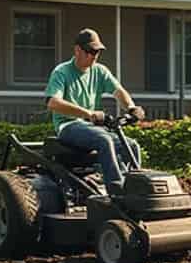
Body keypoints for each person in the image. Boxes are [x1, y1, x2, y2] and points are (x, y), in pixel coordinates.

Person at [45, 28, 145, 194]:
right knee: (104, 139)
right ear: (77, 50)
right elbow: (53, 103)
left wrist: (132, 108)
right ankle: (117, 192)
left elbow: (118, 91)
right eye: (90, 51)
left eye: (97, 52)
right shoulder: (61, 72)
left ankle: (135, 190)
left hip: (91, 128)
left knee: (131, 146)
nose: (94, 56)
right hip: (68, 126)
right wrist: (88, 114)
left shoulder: (99, 71)